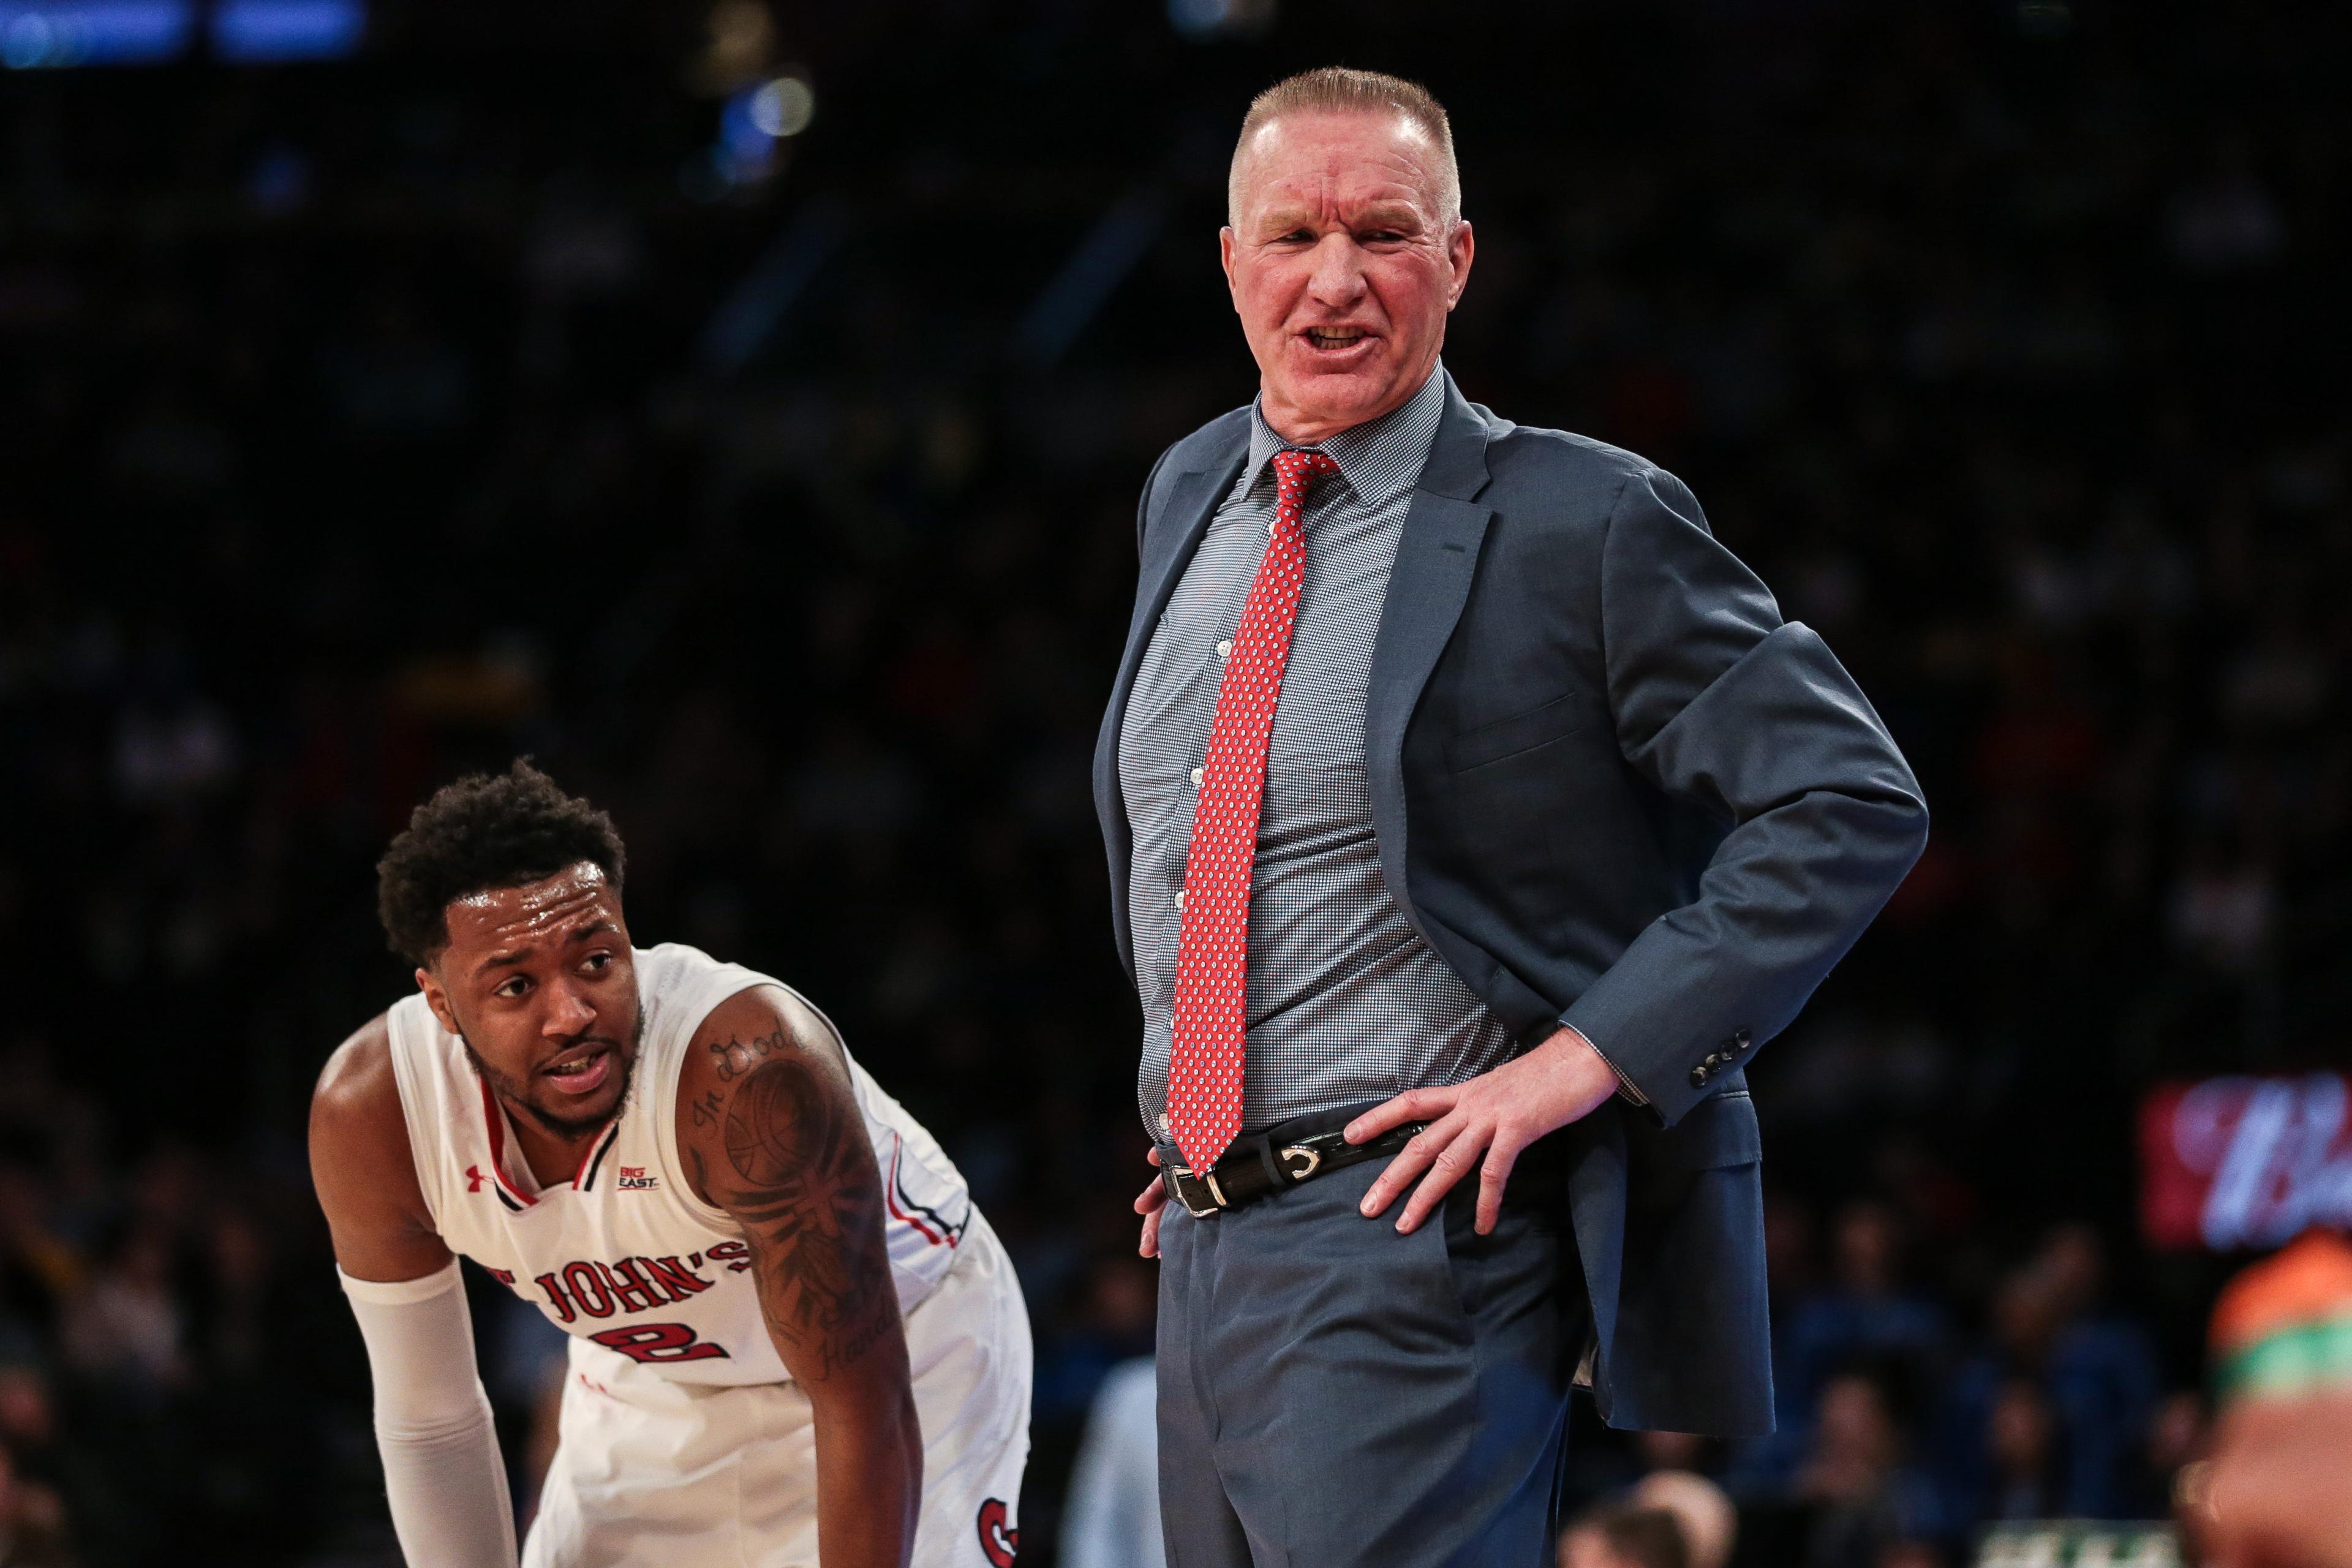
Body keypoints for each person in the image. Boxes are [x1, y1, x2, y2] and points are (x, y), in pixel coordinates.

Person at [1093, 66, 1928, 1564]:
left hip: (1415, 1247)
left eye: (1386, 233)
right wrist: (1200, 1094)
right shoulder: (1190, 492)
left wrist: (1580, 1061)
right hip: (1208, 1246)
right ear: (1230, 263)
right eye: (1292, 234)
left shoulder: (1584, 519)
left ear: (1459, 260)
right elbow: (1195, 844)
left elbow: (1848, 796)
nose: (1335, 280)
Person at [308, 762, 1031, 1568]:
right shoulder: (377, 1115)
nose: (572, 1014)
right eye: (515, 985)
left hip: (901, 1354)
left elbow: (864, 1406)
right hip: (657, 1382)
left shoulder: (749, 1074)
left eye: (595, 961)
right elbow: (433, 1419)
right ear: (439, 1002)